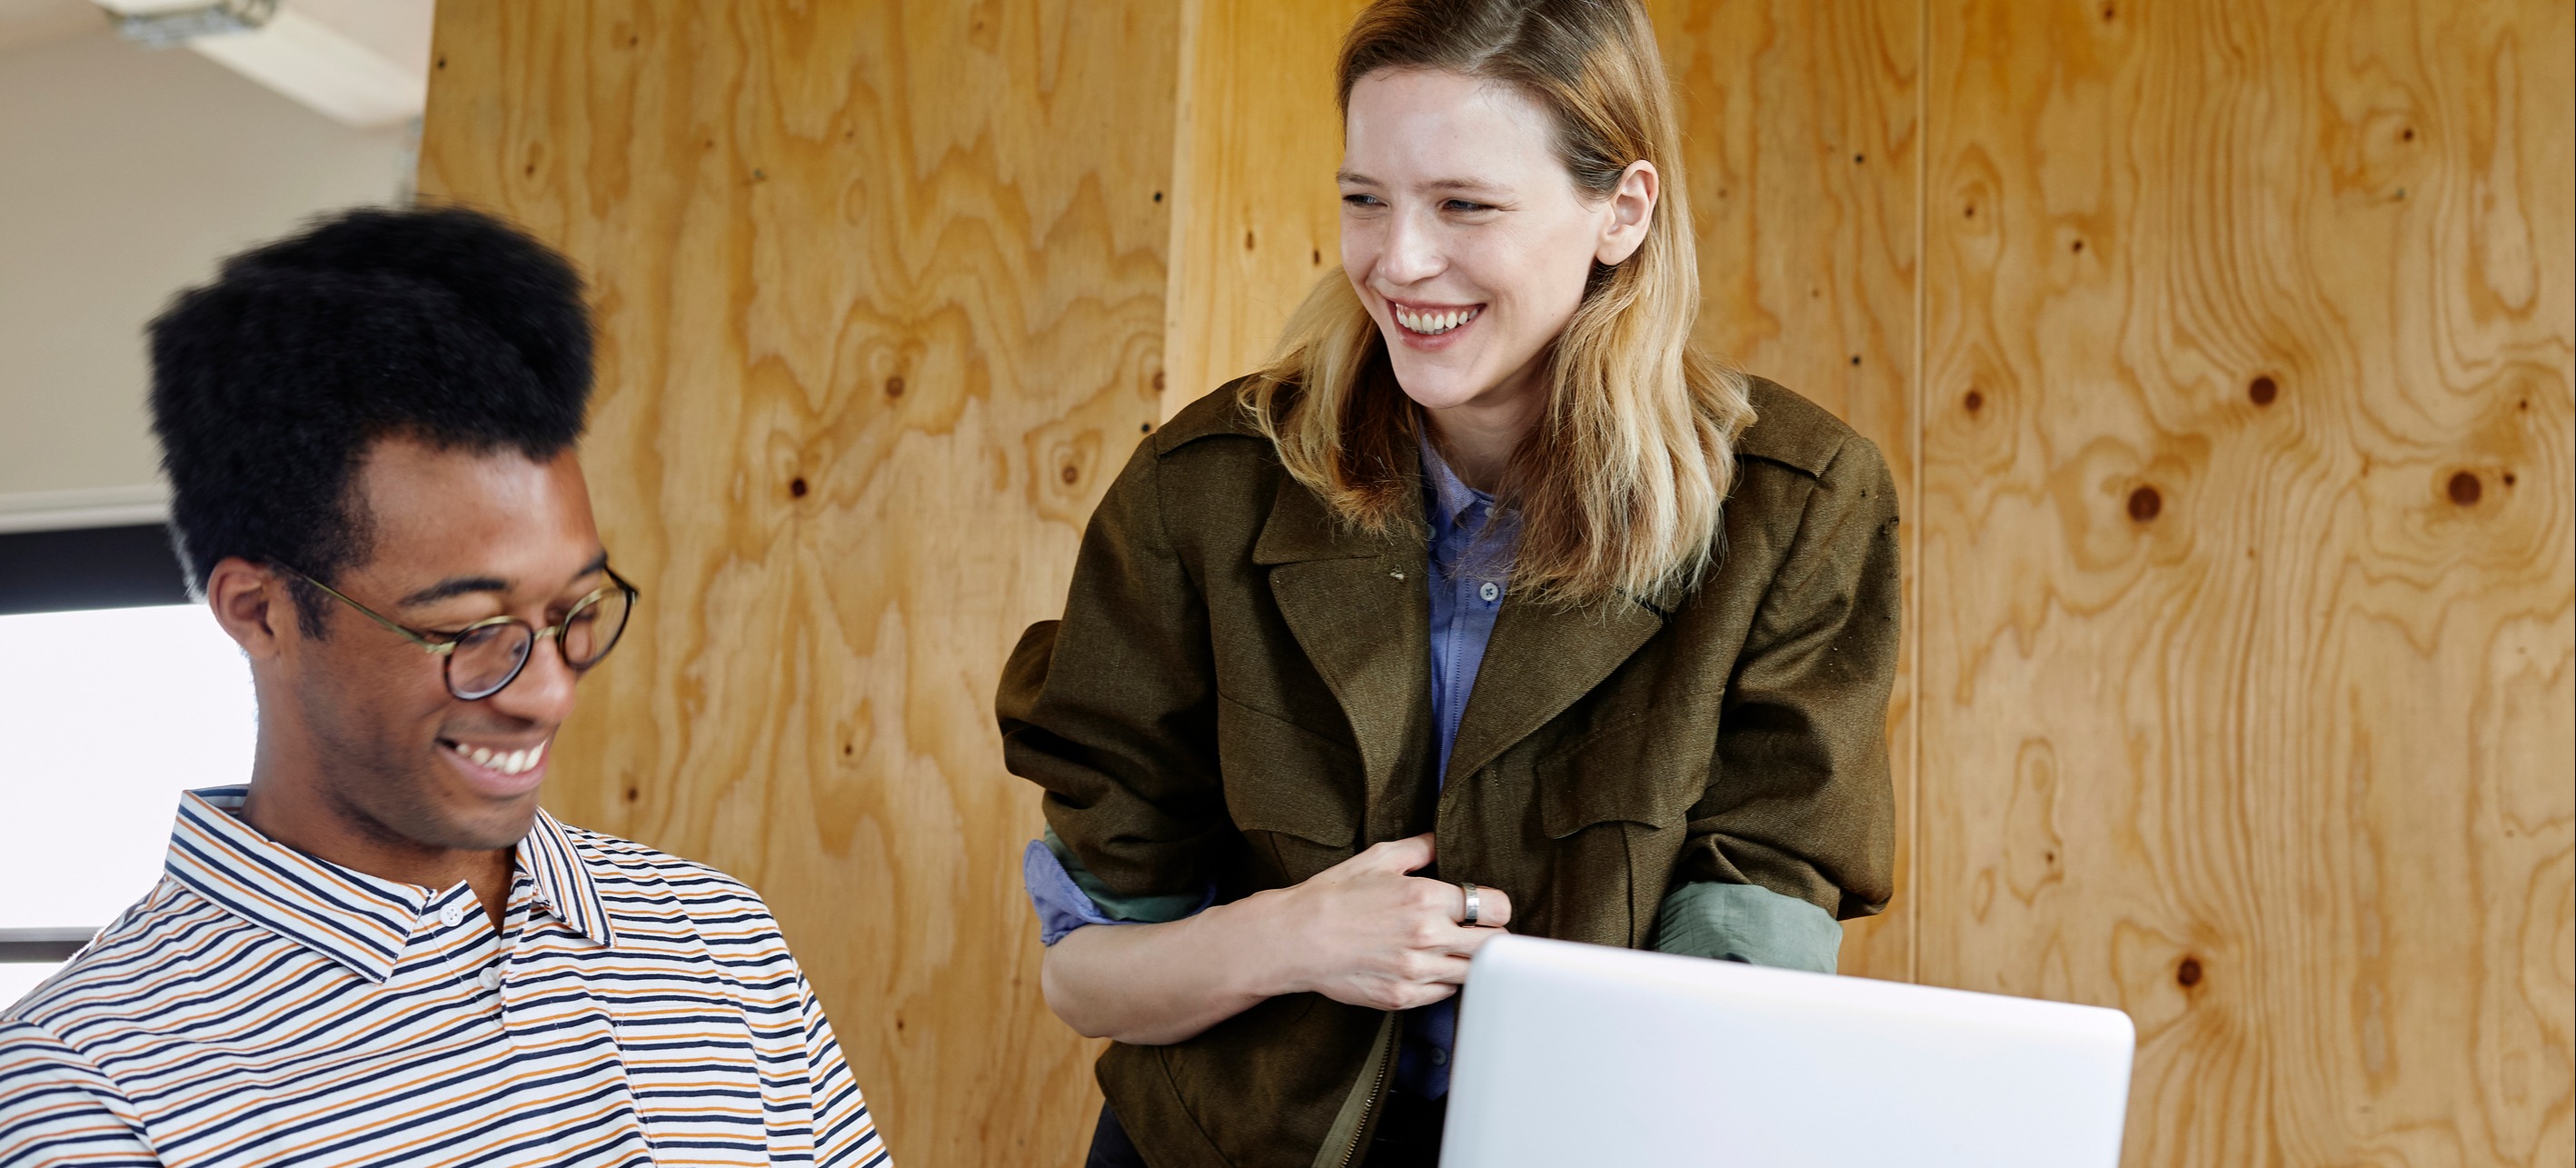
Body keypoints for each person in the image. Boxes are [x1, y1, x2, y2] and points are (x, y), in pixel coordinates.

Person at [999, 2, 1900, 1165]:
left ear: (1621, 212)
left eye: (1464, 205)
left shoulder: (1799, 507)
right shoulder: (1197, 491)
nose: (1398, 261)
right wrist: (1297, 938)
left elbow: (1743, 997)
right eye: (1365, 198)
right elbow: (1088, 979)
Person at [0, 207, 890, 1167]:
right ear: (261, 611)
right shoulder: (83, 1090)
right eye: (467, 629)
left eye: (575, 611)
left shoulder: (716, 937)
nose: (549, 693)